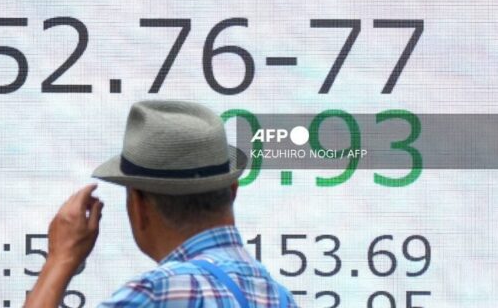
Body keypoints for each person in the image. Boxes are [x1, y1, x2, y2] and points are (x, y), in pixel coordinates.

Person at [25, 100, 297, 307]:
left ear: (138, 206)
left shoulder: (159, 292)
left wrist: (61, 259)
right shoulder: (278, 297)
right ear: (233, 190)